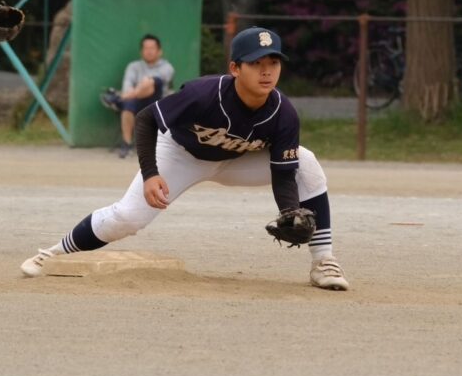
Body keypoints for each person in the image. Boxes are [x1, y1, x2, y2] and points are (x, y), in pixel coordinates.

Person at [25, 27, 350, 291]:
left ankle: (323, 261)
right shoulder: (204, 94)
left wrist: (289, 213)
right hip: (180, 154)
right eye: (256, 63)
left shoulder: (284, 113)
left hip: (237, 162)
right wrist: (151, 173)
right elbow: (146, 119)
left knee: (306, 162)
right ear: (235, 68)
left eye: (274, 63)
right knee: (127, 217)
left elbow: (283, 173)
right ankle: (53, 254)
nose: (267, 71)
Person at [100, 34, 175, 158]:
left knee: (150, 82)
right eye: (146, 48)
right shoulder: (133, 66)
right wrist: (132, 93)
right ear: (141, 51)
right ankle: (127, 144)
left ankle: (118, 99)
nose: (149, 51)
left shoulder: (167, 67)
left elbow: (154, 83)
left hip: (158, 102)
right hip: (136, 101)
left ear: (159, 51)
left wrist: (130, 93)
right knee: (128, 105)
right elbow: (127, 85)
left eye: (152, 48)